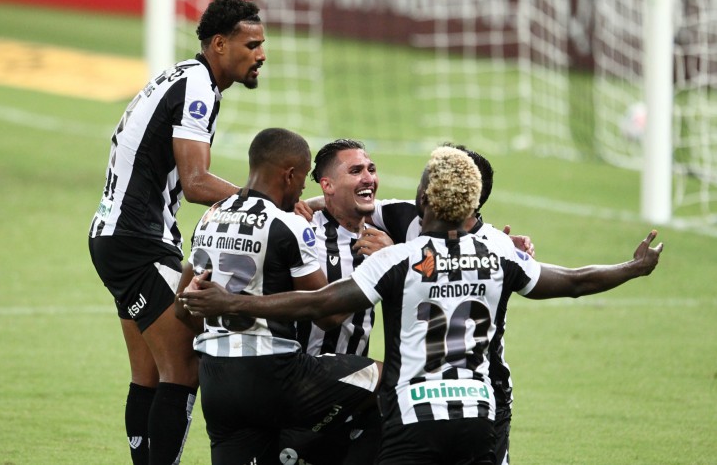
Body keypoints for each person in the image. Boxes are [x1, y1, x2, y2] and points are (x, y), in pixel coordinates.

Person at [178, 145, 663, 464]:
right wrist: (632, 267)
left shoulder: (397, 258)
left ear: (424, 198)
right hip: (481, 411)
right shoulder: (499, 250)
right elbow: (575, 281)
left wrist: (233, 302)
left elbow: (319, 303)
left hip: (412, 414)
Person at [87, 0, 266, 464]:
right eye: (251, 45)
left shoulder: (183, 78)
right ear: (220, 44)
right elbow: (196, 182)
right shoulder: (198, 88)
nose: (261, 55)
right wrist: (266, 204)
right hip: (138, 241)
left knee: (148, 374)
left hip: (115, 237)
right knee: (184, 369)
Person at [173, 128, 381, 465]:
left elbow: (183, 308)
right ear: (290, 174)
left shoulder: (210, 217)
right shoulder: (287, 224)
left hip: (215, 379)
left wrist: (228, 329)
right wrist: (377, 270)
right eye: (302, 179)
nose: (303, 191)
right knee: (391, 381)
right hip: (275, 375)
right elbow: (325, 312)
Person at [360, 144, 530, 464]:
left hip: (483, 389)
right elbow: (355, 203)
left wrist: (392, 252)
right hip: (429, 393)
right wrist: (305, 205)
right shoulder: (403, 214)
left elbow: (423, 268)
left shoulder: (493, 245)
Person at [282, 139, 389, 464]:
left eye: (370, 169)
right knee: (396, 381)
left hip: (353, 385)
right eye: (355, 171)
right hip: (303, 379)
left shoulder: (382, 233)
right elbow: (323, 316)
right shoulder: (302, 229)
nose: (368, 177)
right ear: (326, 184)